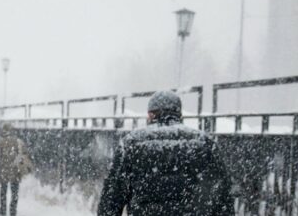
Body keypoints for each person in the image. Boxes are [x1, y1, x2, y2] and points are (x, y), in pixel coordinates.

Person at [98, 91, 233, 216]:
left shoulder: (130, 144)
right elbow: (222, 197)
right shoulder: (204, 143)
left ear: (150, 115)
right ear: (179, 114)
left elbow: (111, 199)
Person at [0, 123, 31, 216]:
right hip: (15, 171)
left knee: (3, 191)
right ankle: (13, 211)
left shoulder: (0, 142)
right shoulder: (19, 142)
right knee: (14, 193)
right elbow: (25, 155)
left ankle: (3, 210)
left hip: (4, 171)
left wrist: (4, 162)